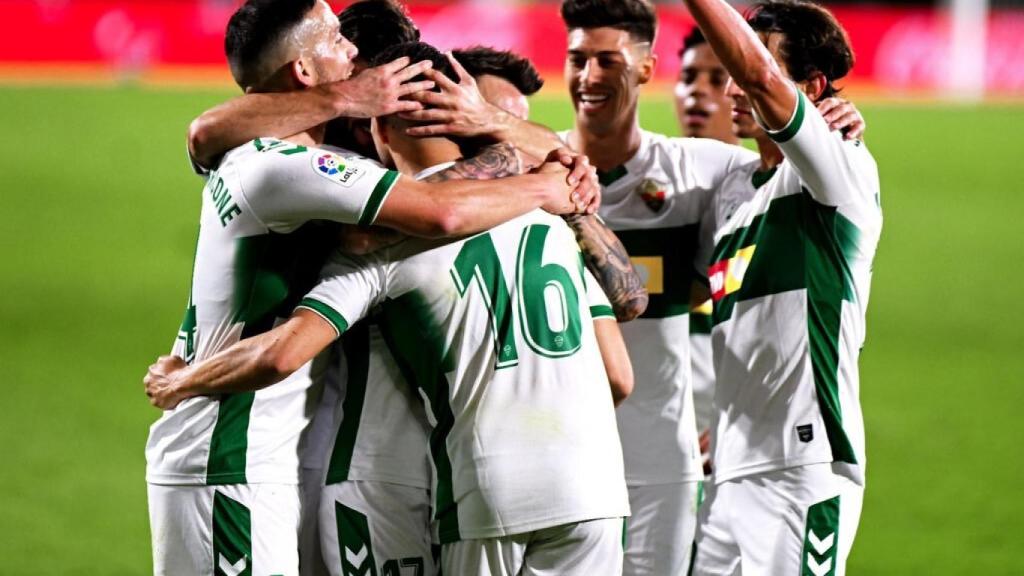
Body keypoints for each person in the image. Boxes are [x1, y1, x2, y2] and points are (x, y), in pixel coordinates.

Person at [148, 40, 633, 576]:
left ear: (379, 125)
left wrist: (185, 381)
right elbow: (620, 372)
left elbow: (284, 351)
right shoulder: (550, 218)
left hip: (475, 490)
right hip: (599, 488)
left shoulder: (382, 243)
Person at [681, 1, 882, 574]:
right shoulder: (737, 197)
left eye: (748, 71)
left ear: (813, 86)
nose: (735, 89)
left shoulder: (837, 166)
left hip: (802, 463)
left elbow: (763, 81)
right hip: (729, 469)